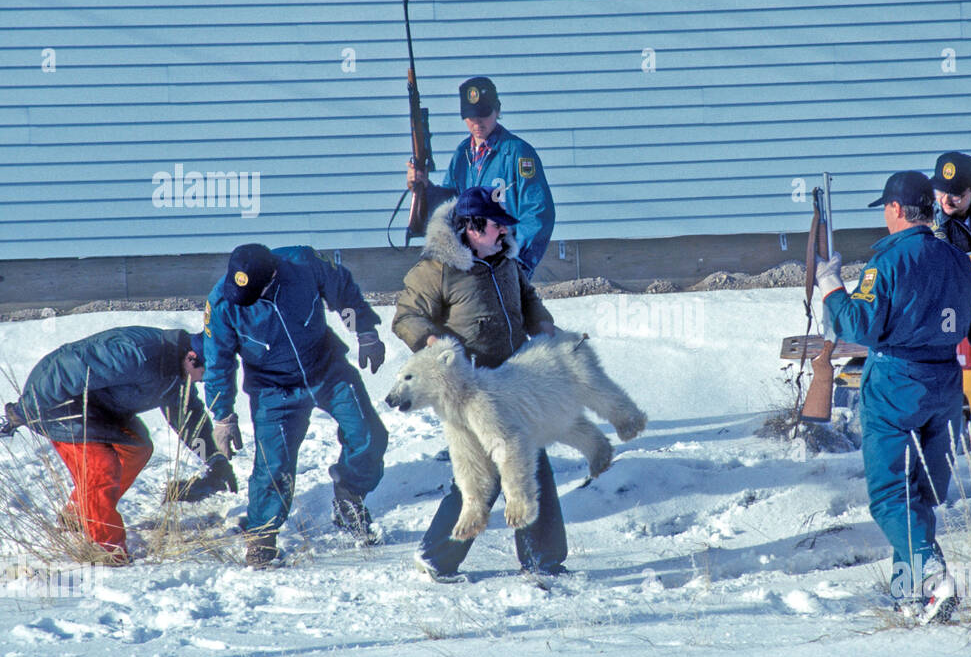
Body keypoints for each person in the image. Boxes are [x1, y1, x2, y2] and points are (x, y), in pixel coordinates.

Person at [815, 170, 971, 623]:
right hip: (946, 389)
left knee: (890, 495)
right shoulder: (959, 262)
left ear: (898, 210)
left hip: (894, 387)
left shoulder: (886, 264)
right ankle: (911, 593)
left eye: (885, 207)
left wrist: (830, 287)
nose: (884, 215)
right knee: (920, 497)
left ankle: (932, 575)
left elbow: (859, 327)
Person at [392, 186, 564, 581]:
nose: (503, 232)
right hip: (470, 391)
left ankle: (544, 562)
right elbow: (406, 316)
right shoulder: (436, 269)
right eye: (495, 226)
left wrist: (542, 324)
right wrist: (433, 341)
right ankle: (437, 557)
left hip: (514, 385)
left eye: (504, 226)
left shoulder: (505, 262)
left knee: (531, 466)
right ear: (470, 228)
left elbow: (529, 298)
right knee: (479, 477)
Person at [202, 244, 389, 568]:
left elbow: (341, 289)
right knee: (273, 465)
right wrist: (223, 416)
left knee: (368, 435)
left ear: (273, 275)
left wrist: (366, 331)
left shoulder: (303, 264)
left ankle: (349, 496)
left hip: (325, 368)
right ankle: (261, 535)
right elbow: (218, 362)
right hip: (273, 389)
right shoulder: (222, 303)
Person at [0, 326, 235, 564]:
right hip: (59, 405)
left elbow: (188, 416)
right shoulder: (137, 354)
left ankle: (79, 512)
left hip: (100, 410)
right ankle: (107, 550)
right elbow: (68, 367)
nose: (204, 382)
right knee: (102, 467)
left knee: (138, 448)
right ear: (192, 358)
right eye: (206, 375)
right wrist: (23, 411)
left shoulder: (177, 372)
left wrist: (215, 460)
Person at [407, 76, 556, 277]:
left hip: (504, 263)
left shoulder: (518, 153)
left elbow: (538, 213)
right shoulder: (462, 154)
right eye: (470, 115)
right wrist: (425, 188)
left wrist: (518, 262)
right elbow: (451, 207)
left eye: (484, 114)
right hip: (470, 266)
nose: (477, 122)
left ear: (498, 110)